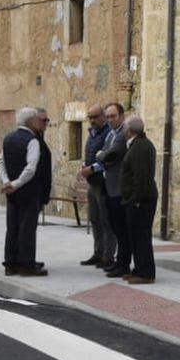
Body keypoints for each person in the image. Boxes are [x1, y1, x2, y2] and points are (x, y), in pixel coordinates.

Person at [0, 107, 52, 276]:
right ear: (30, 121)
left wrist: (7, 182)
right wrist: (17, 183)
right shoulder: (32, 141)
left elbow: (0, 163)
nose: (39, 122)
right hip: (28, 190)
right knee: (27, 228)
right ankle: (26, 264)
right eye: (37, 119)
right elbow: (31, 167)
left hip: (12, 192)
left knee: (12, 226)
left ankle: (10, 263)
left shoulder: (8, 139)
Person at [87, 103, 130, 277]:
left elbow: (108, 155)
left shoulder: (121, 135)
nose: (111, 119)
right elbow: (103, 153)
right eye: (109, 116)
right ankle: (108, 258)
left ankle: (115, 260)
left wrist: (99, 157)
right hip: (106, 183)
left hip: (117, 187)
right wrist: (101, 156)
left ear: (122, 116)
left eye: (113, 116)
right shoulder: (110, 134)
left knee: (116, 226)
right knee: (102, 221)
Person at [119, 114, 159, 285]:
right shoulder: (138, 144)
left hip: (141, 201)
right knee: (136, 236)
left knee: (141, 236)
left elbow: (141, 178)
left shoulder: (140, 148)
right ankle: (139, 269)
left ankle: (146, 273)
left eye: (123, 128)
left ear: (128, 130)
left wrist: (135, 200)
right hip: (139, 199)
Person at [78, 105, 113, 267]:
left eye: (95, 117)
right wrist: (85, 165)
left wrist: (92, 169)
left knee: (106, 221)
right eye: (89, 117)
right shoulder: (92, 134)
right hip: (93, 183)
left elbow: (110, 158)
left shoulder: (108, 134)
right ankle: (98, 253)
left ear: (103, 117)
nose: (92, 120)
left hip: (104, 183)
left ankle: (108, 256)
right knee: (95, 220)